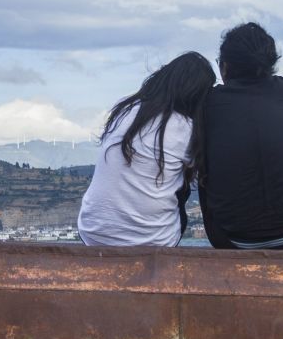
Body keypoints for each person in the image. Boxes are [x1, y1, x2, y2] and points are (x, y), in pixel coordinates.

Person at [196, 22, 283, 250]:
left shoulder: (207, 102)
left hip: (228, 241)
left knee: (202, 152)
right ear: (271, 63)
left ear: (224, 67)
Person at [77, 52, 216, 246]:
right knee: (184, 181)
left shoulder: (124, 108)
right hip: (152, 241)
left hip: (93, 233)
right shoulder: (186, 129)